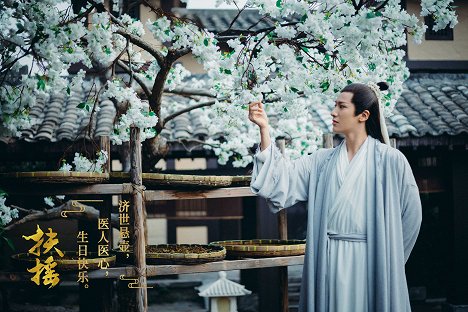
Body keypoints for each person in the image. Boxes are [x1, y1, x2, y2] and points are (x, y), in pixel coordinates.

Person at [248, 82, 422, 312]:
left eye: (341, 106)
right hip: (328, 256)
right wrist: (264, 129)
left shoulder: (391, 161)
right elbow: (282, 179)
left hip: (372, 258)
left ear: (363, 115)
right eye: (334, 105)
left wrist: (390, 261)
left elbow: (411, 217)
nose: (333, 112)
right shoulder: (321, 161)